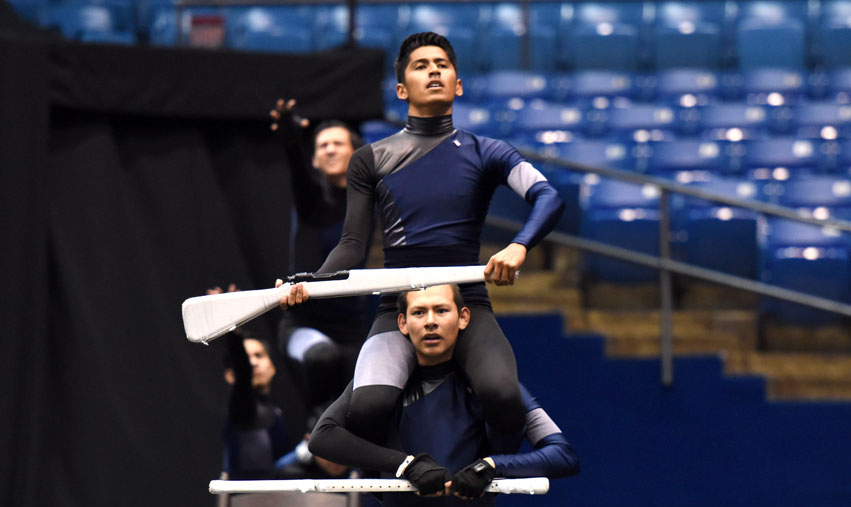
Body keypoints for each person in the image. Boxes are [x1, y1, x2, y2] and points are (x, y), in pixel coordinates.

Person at [279, 31, 565, 453]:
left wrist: (520, 244)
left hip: (466, 300)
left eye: (442, 64)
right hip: (398, 305)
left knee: (504, 398)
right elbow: (352, 245)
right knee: (368, 407)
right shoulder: (370, 158)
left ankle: (482, 469)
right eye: (421, 65)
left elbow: (548, 196)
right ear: (400, 89)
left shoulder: (488, 151)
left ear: (458, 84)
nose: (433, 70)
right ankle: (406, 473)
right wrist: (313, 284)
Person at [308, 285, 580, 506]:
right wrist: (407, 465)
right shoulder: (378, 383)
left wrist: (492, 466)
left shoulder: (492, 387)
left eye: (440, 310)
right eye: (419, 312)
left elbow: (563, 455)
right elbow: (322, 438)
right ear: (402, 323)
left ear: (463, 318)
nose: (430, 322)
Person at [271, 103, 373, 429]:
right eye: (322, 145)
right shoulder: (311, 200)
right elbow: (300, 176)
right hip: (304, 325)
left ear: (356, 153)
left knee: (372, 395)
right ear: (314, 158)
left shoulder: (370, 201)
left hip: (354, 328)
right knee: (322, 358)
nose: (329, 149)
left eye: (337, 143)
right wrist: (291, 141)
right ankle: (316, 432)